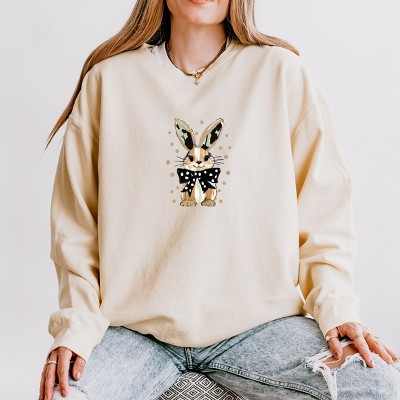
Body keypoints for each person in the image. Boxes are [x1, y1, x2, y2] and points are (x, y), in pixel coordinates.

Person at [39, 0, 400, 399]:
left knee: (375, 384)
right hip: (134, 332)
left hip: (261, 328)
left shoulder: (280, 72)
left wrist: (336, 307)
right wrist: (75, 327)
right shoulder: (108, 81)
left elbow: (324, 212)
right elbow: (75, 229)